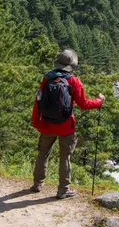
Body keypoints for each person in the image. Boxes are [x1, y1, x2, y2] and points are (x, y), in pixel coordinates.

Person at [31, 49, 105, 199]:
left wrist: (36, 121)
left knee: (42, 154)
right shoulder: (73, 81)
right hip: (66, 126)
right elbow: (83, 104)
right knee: (65, 157)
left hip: (46, 123)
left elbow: (38, 101)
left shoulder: (47, 78)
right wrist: (99, 101)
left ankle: (37, 184)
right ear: (72, 65)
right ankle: (63, 189)